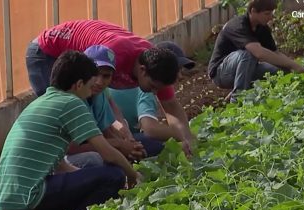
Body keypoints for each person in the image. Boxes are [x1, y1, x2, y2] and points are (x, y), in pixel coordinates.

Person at [0, 50, 138, 210]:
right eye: (90, 86)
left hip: (8, 200)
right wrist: (132, 175)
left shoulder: (43, 101)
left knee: (95, 174)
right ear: (78, 85)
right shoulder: (72, 103)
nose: (92, 92)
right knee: (113, 176)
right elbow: (108, 153)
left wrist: (85, 178)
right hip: (30, 197)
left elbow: (59, 165)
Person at [26, 20, 194, 156]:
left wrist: (187, 140)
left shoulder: (157, 64)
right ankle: (60, 166)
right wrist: (116, 143)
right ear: (142, 70)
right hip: (47, 51)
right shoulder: (113, 56)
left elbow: (171, 105)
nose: (155, 93)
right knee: (61, 114)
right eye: (153, 87)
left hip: (84, 59)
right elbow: (85, 105)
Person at [66, 45, 164, 168]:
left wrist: (129, 146)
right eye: (95, 74)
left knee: (147, 145)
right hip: (60, 161)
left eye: (106, 76)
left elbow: (107, 130)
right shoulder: (71, 97)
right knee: (95, 159)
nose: (100, 82)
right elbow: (71, 148)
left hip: (90, 148)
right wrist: (120, 145)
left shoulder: (98, 96)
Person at [208, 0, 304, 102]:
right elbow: (259, 53)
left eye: (271, 13)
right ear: (253, 11)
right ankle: (237, 99)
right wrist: (294, 65)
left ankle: (242, 88)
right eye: (267, 14)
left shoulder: (262, 28)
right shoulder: (238, 25)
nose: (270, 17)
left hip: (245, 68)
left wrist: (294, 66)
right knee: (248, 53)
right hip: (221, 73)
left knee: (282, 71)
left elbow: (275, 53)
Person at [109, 41, 196, 142]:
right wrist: (181, 136)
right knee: (160, 142)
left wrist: (186, 137)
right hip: (115, 136)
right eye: (176, 70)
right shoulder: (147, 86)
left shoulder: (144, 78)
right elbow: (149, 129)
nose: (179, 76)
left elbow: (172, 106)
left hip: (113, 133)